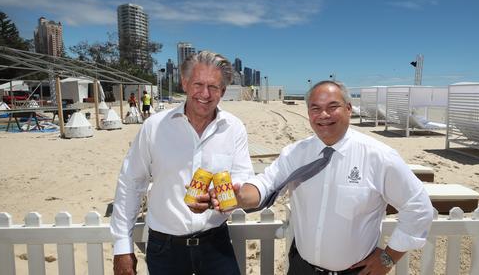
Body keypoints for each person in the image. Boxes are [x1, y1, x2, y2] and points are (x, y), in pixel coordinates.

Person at [221, 81, 433, 275]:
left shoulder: (379, 157)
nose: (323, 114)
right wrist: (239, 196)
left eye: (333, 107)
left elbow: (419, 207)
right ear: (309, 113)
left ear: (348, 109)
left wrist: (388, 258)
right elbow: (266, 183)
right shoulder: (296, 153)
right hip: (301, 268)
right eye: (315, 108)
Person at [110, 51, 254, 275]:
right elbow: (131, 183)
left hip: (216, 242)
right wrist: (122, 247)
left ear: (223, 91)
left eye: (214, 87)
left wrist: (222, 196)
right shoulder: (155, 127)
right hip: (165, 249)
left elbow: (244, 178)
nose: (205, 94)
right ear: (184, 83)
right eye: (198, 84)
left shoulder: (234, 128)